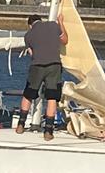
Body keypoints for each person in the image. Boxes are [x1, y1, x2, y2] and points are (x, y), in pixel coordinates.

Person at [15, 13, 68, 141]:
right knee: (52, 97)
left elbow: (32, 53)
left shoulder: (28, 35)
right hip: (54, 66)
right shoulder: (53, 26)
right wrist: (61, 21)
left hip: (37, 66)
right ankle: (48, 131)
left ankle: (20, 125)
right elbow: (65, 40)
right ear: (41, 20)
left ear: (30, 25)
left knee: (28, 94)